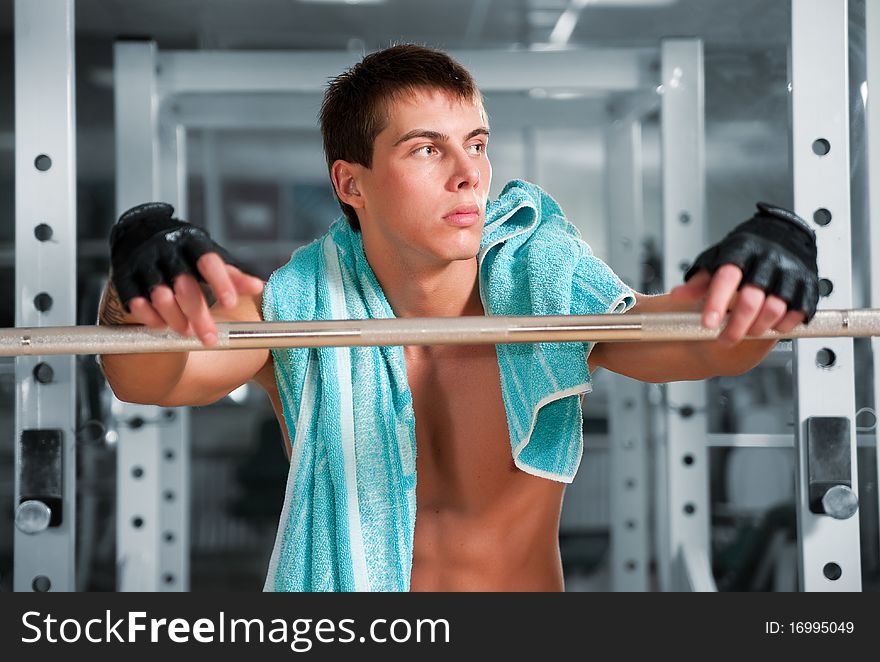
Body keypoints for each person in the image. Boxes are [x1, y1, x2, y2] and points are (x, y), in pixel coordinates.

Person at [98, 44, 818, 592]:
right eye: (426, 149)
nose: (470, 172)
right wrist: (132, 287)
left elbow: (704, 346)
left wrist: (759, 274)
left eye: (475, 143)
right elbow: (145, 376)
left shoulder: (547, 296)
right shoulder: (298, 316)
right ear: (352, 184)